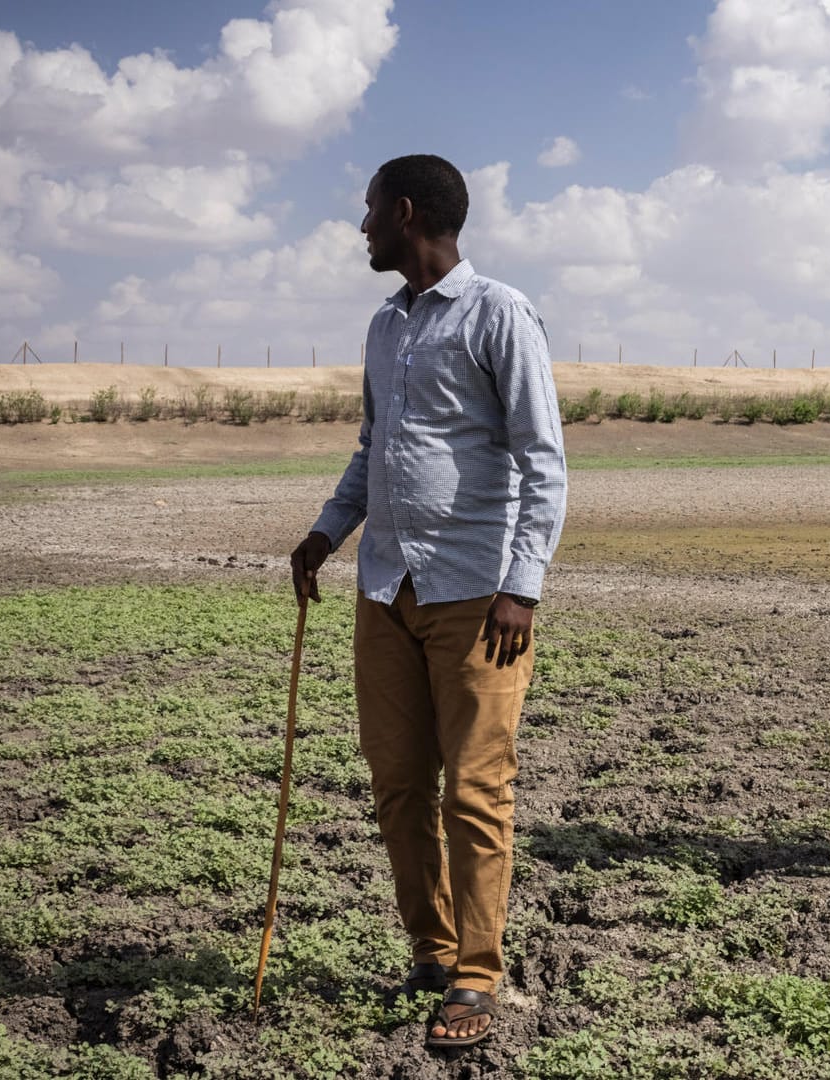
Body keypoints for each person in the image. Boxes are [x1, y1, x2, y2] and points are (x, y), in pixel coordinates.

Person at [290, 153, 566, 1048]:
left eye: (370, 211)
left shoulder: (499, 313)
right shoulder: (385, 325)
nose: (361, 226)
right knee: (399, 785)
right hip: (387, 587)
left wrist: (523, 585)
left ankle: (478, 979)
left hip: (479, 596)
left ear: (406, 213)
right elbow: (374, 448)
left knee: (477, 790)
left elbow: (541, 457)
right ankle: (431, 950)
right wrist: (329, 531)